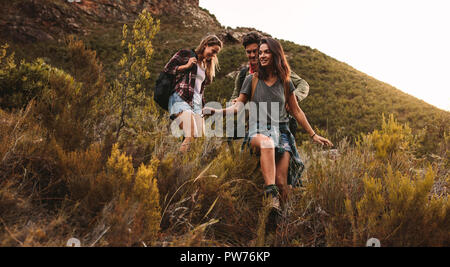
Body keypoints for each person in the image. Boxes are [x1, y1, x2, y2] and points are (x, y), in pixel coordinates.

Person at [203, 38, 333, 210]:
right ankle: (271, 196)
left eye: (266, 52)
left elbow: (297, 111)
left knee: (282, 182)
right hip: (258, 129)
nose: (262, 56)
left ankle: (282, 222)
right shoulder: (251, 79)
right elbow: (237, 106)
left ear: (275, 54)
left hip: (283, 132)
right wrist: (216, 111)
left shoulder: (286, 82)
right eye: (260, 52)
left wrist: (313, 135)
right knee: (267, 143)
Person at [230, 32, 310, 136]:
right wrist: (234, 102)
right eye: (249, 52)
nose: (252, 55)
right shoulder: (243, 75)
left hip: (280, 127)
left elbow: (303, 84)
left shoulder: (278, 72)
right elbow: (234, 98)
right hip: (255, 128)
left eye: (255, 51)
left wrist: (294, 98)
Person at [163, 35, 223, 153]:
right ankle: (175, 166)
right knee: (191, 134)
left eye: (216, 53)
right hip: (180, 98)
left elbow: (199, 89)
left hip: (196, 103)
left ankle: (187, 165)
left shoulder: (206, 65)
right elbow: (167, 69)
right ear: (205, 45)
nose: (213, 55)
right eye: (213, 51)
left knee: (199, 139)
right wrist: (186, 66)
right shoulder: (186, 54)